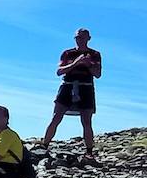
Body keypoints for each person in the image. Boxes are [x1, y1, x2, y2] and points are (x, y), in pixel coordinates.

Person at [39, 28, 102, 162]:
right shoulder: (68, 53)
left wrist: (88, 64)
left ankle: (89, 152)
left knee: (86, 121)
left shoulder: (95, 54)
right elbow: (59, 71)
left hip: (86, 88)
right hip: (67, 86)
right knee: (56, 117)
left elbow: (98, 74)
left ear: (88, 39)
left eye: (82, 38)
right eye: (77, 38)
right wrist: (76, 63)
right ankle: (44, 146)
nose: (79, 40)